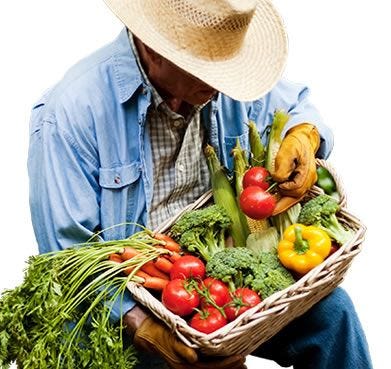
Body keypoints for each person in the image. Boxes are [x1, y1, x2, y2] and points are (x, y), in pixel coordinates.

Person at [27, 0, 373, 368]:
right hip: (135, 302)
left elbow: (297, 106)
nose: (224, 84)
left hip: (216, 279)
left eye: (230, 69)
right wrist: (144, 327)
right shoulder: (68, 116)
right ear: (153, 49)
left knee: (334, 315)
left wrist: (303, 135)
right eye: (208, 68)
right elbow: (67, 257)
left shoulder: (223, 87)